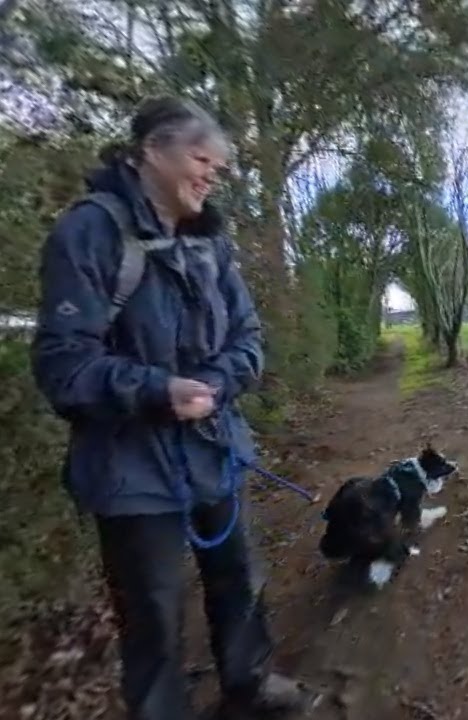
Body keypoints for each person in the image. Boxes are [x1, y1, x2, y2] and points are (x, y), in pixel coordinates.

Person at [30, 96, 306, 720]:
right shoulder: (90, 231)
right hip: (130, 472)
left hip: (216, 450)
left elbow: (249, 340)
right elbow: (62, 366)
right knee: (151, 615)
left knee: (239, 580)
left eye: (220, 166)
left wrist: (215, 384)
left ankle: (250, 684)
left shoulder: (212, 241)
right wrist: (158, 391)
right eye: (201, 158)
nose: (211, 175)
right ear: (152, 151)